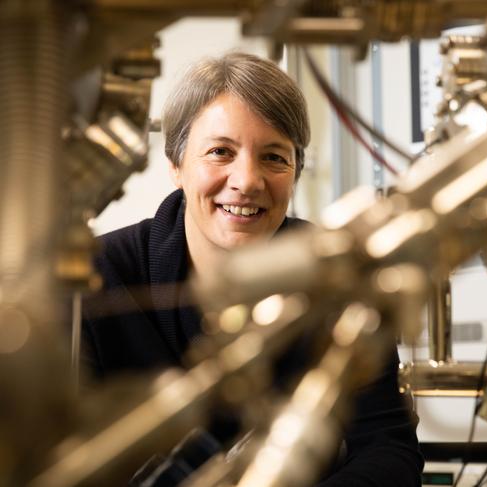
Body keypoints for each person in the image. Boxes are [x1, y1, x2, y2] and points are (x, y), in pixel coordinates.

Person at [81, 51, 423, 486]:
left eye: (274, 157)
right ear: (175, 164)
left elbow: (389, 451)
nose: (247, 181)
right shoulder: (99, 272)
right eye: (221, 151)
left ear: (296, 170)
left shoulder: (340, 275)